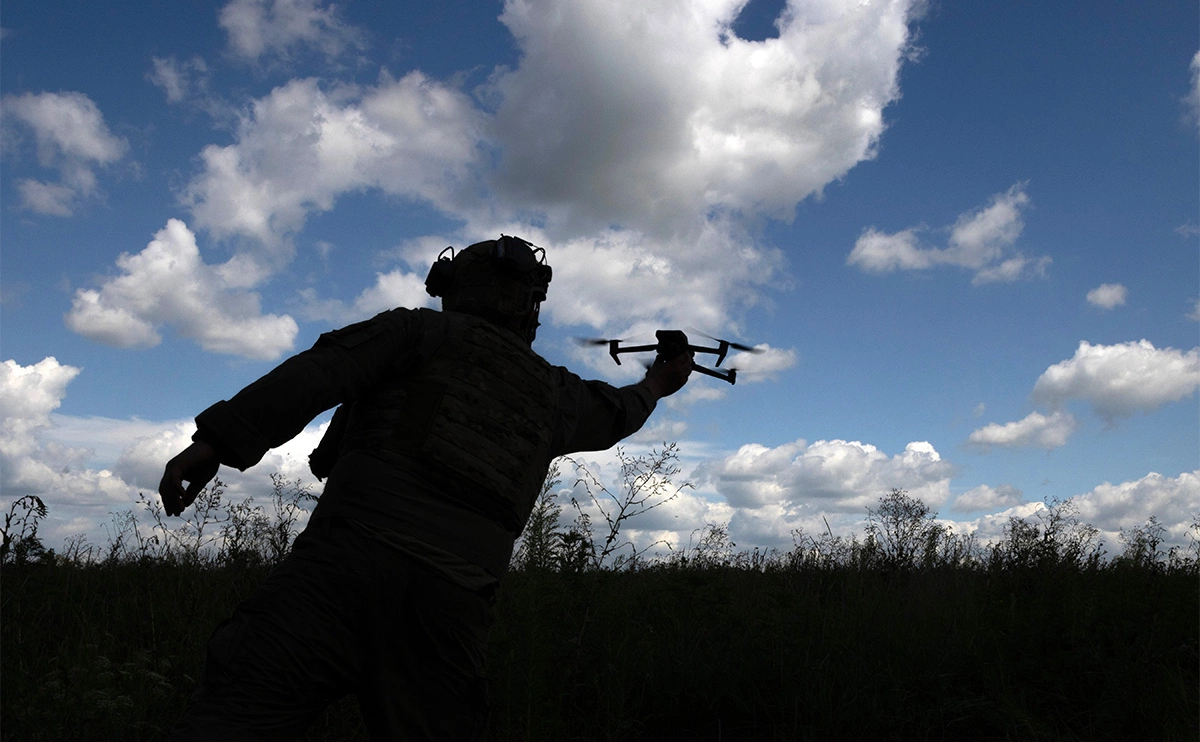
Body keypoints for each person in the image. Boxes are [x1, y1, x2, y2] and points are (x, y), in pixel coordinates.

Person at [160, 235, 693, 741]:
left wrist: (215, 443)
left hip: (337, 573)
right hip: (450, 608)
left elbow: (322, 370)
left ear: (455, 287)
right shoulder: (557, 394)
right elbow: (620, 411)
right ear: (530, 303)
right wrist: (658, 382)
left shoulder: (417, 333)